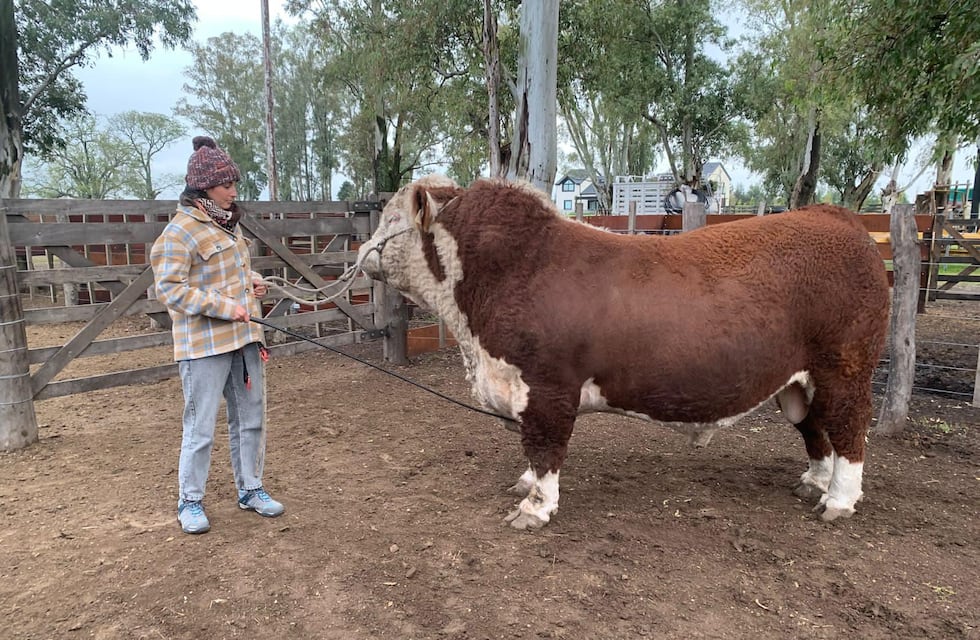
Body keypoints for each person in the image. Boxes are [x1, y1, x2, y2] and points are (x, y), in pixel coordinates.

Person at [150, 135, 284, 534]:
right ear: (204, 187)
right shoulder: (180, 232)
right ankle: (189, 500)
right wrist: (228, 306)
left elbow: (230, 275)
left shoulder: (227, 226)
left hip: (245, 339)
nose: (234, 192)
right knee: (201, 425)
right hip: (204, 344)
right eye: (227, 185)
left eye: (234, 184)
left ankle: (251, 489)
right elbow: (170, 289)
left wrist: (253, 283)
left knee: (251, 418)